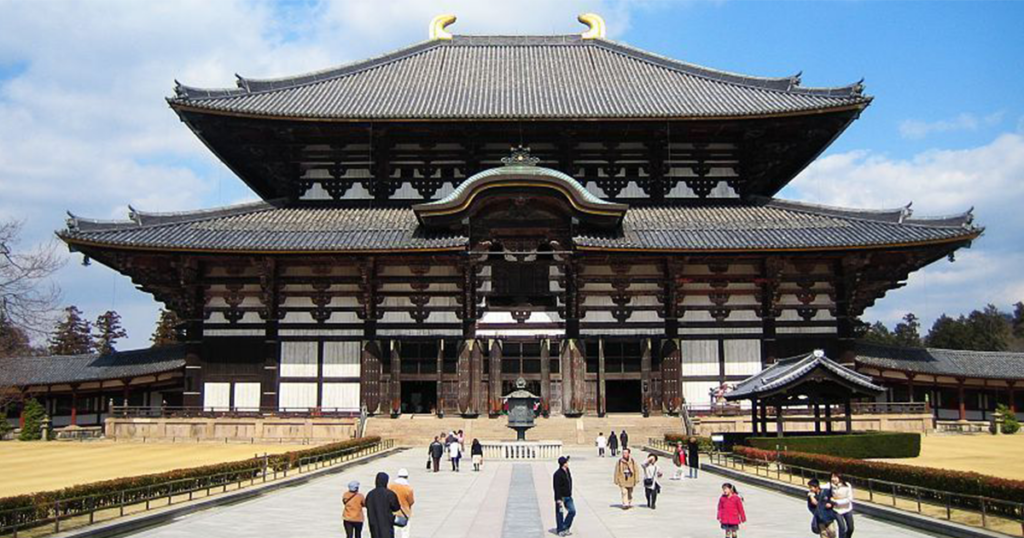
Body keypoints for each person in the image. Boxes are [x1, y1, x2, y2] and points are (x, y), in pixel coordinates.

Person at [365, 472, 401, 538]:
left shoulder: (370, 494)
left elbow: (367, 505)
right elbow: (396, 507)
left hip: (373, 524)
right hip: (386, 523)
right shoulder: (390, 494)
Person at [826, 472, 855, 538]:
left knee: (851, 528)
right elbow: (821, 488)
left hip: (847, 509)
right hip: (837, 510)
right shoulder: (830, 485)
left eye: (835, 477)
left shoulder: (847, 485)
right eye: (832, 477)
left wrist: (837, 502)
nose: (833, 479)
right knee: (842, 527)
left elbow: (850, 498)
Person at [553, 455, 576, 537]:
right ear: (563, 464)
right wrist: (558, 499)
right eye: (566, 462)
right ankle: (560, 529)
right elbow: (556, 488)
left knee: (572, 511)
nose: (568, 463)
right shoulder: (557, 474)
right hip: (561, 497)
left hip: (568, 496)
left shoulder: (567, 471)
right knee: (560, 514)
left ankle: (565, 527)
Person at [389, 469, 415, 538]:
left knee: (393, 530)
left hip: (393, 512)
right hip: (405, 512)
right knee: (405, 532)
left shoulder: (391, 486)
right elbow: (411, 501)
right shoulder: (408, 489)